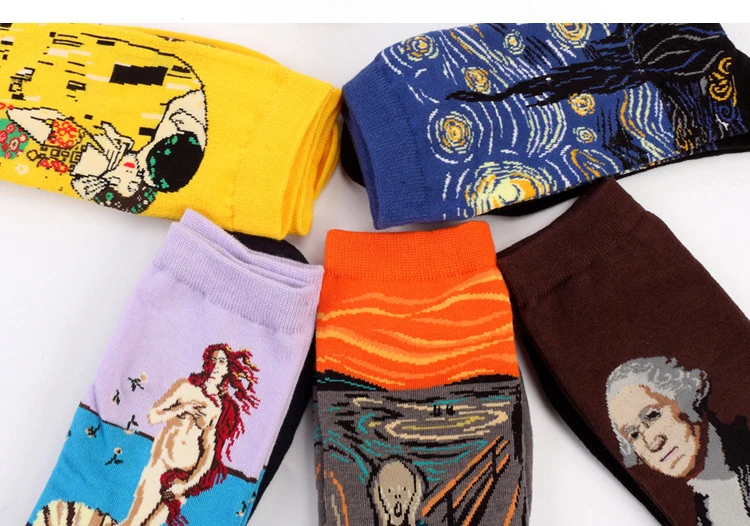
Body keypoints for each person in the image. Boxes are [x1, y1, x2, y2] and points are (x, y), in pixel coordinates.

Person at [121, 343, 260, 526]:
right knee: (134, 520)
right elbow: (153, 416)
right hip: (161, 463)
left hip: (183, 477)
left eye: (221, 362)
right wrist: (182, 408)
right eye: (213, 360)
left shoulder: (217, 408)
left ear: (227, 368)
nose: (216, 366)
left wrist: (186, 484)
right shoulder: (185, 387)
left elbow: (208, 452)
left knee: (154, 523)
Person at [606, 356, 750, 525]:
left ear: (684, 397)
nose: (652, 443)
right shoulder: (704, 514)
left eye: (652, 415)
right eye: (634, 435)